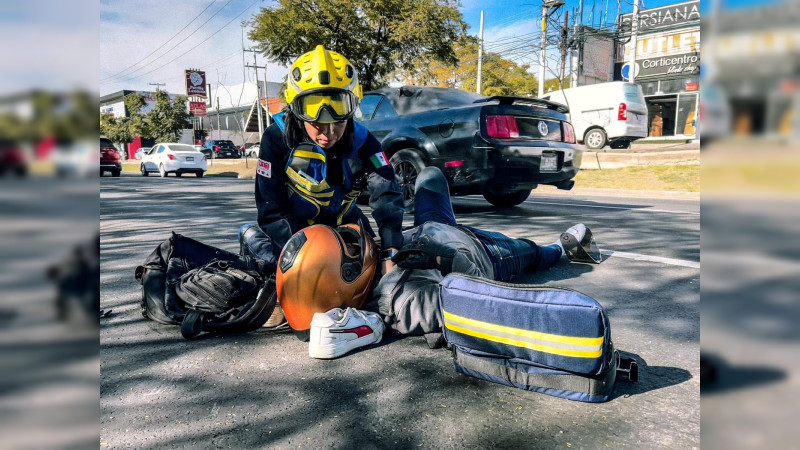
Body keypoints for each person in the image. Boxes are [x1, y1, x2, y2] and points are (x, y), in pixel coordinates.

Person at [365, 166, 593, 348]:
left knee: (430, 174)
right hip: (485, 253)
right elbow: (480, 301)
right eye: (352, 251)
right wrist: (448, 260)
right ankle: (559, 248)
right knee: (534, 252)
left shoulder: (364, 260)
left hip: (432, 225)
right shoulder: (405, 305)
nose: (357, 244)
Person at [238, 46, 404, 278]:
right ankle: (252, 238)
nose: (328, 132)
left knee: (373, 272)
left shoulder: (364, 140)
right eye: (317, 122)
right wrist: (308, 255)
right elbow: (271, 210)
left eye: (338, 121)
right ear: (296, 109)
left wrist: (390, 251)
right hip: (293, 226)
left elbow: (387, 195)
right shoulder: (276, 137)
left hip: (344, 218)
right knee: (289, 275)